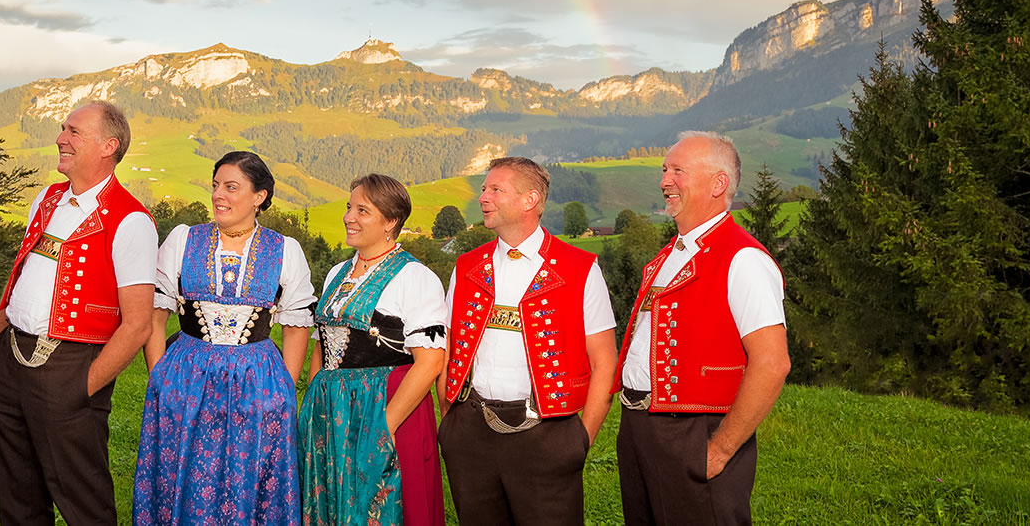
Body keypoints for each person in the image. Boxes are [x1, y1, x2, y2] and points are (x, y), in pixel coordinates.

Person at [0, 101, 158, 526]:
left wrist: (84, 385)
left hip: (71, 365)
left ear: (108, 146)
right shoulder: (45, 200)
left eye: (73, 132)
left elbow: (137, 324)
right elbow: (21, 275)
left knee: (83, 501)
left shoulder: (130, 219)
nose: (61, 138)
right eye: (64, 129)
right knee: (17, 496)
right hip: (11, 359)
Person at [614, 132, 790, 525]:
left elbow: (772, 363)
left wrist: (721, 449)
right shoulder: (669, 255)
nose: (664, 181)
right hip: (642, 426)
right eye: (664, 170)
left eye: (679, 170)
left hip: (694, 430)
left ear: (718, 183)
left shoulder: (743, 259)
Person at [133, 150, 316, 525]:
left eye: (231, 187)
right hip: (187, 374)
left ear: (259, 197)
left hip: (257, 380)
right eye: (216, 186)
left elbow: (297, 324)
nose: (219, 195)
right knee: (183, 470)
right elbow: (156, 312)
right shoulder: (184, 240)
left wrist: (283, 390)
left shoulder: (285, 250)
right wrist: (160, 377)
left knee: (247, 474)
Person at [439, 157, 618, 525]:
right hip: (470, 432)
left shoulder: (580, 267)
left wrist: (581, 439)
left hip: (547, 434)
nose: (483, 197)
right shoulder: (467, 266)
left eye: (495, 190)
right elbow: (450, 347)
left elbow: (604, 361)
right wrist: (451, 424)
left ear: (529, 199)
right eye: (484, 188)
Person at [299, 173, 449, 526]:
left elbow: (429, 363)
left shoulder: (414, 277)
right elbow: (323, 342)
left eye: (362, 210)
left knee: (378, 507)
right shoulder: (338, 272)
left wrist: (384, 427)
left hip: (381, 406)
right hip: (329, 411)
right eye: (350, 207)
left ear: (390, 221)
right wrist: (312, 401)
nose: (349, 217)